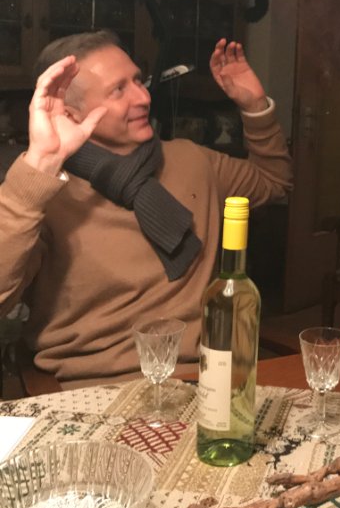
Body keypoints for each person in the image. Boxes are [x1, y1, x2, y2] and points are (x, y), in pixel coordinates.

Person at [0, 31, 292, 386]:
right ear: (70, 113)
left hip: (202, 380)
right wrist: (38, 166)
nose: (143, 97)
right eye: (117, 90)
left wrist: (255, 106)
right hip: (95, 388)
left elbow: (274, 183)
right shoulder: (41, 192)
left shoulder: (193, 161)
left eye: (138, 80)